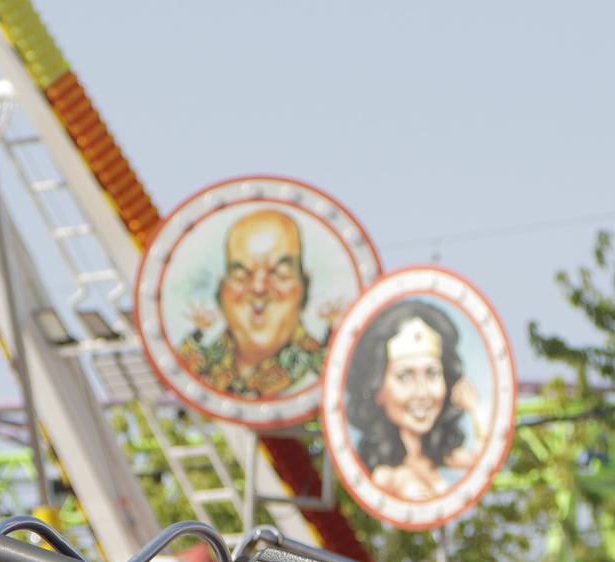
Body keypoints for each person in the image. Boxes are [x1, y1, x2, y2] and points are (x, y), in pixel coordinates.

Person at [345, 300, 490, 500]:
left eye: (432, 373)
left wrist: (477, 409)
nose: (422, 393)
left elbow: (487, 464)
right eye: (405, 376)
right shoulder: (386, 475)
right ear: (377, 389)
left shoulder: (441, 456)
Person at [177, 208, 328, 400]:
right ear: (222, 289)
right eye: (242, 273)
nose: (258, 287)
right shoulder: (203, 366)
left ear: (304, 286)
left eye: (280, 273)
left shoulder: (322, 367)